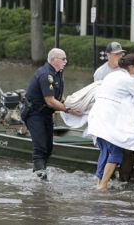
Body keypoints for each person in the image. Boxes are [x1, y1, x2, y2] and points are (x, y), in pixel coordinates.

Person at [23, 48, 83, 180]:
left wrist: (71, 105)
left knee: (48, 147)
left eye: (65, 59)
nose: (65, 61)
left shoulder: (58, 73)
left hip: (46, 114)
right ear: (52, 60)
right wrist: (67, 110)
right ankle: (41, 180)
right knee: (40, 147)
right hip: (34, 113)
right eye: (63, 59)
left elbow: (59, 95)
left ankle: (37, 172)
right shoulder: (46, 75)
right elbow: (50, 101)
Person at [87, 54, 134, 190]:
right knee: (116, 152)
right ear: (131, 67)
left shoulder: (110, 76)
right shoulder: (128, 80)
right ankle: (103, 185)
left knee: (104, 152)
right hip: (108, 119)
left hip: (96, 115)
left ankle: (99, 183)